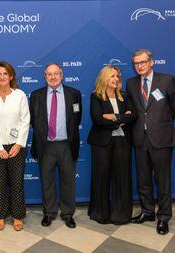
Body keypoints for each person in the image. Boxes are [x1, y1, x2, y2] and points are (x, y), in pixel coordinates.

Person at [126, 49, 175, 235]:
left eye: (143, 62)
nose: (140, 66)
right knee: (143, 179)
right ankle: (147, 211)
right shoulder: (131, 83)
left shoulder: (167, 80)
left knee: (162, 180)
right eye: (136, 63)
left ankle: (163, 217)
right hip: (139, 138)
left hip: (161, 138)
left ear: (151, 62)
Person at [30, 63, 82, 229]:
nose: (52, 77)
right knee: (47, 182)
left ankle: (67, 214)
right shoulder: (36, 95)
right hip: (46, 145)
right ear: (44, 76)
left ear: (62, 75)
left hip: (66, 144)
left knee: (68, 181)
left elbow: (76, 119)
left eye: (56, 74)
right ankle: (49, 213)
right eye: (49, 74)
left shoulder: (74, 94)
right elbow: (33, 119)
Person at [0, 61, 30, 231]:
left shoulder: (20, 95)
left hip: (17, 147)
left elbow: (25, 121)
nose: (2, 77)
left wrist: (18, 144)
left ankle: (17, 216)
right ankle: (1, 215)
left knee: (17, 183)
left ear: (11, 76)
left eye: (5, 73)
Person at [87, 65, 136, 225]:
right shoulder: (96, 97)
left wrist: (113, 117)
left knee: (122, 178)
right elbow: (98, 120)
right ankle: (100, 214)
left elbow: (133, 116)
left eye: (117, 76)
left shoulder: (124, 95)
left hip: (122, 142)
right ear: (104, 78)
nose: (116, 79)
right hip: (102, 143)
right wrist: (121, 118)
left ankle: (120, 215)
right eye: (112, 76)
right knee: (101, 178)